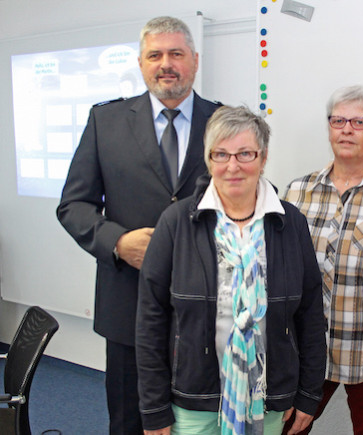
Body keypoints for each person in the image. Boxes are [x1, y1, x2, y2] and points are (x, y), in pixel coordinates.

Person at [56, 16, 222, 434]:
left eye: (176, 54)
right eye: (156, 55)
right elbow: (73, 204)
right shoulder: (105, 122)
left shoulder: (224, 123)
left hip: (206, 305)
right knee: (131, 420)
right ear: (141, 63)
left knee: (201, 422)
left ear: (195, 61)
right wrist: (116, 241)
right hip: (128, 303)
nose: (166, 64)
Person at [135, 105, 326, 435]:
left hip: (267, 399)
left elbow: (309, 315)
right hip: (194, 400)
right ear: (209, 160)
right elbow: (151, 319)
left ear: (263, 158)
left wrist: (309, 396)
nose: (232, 166)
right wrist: (154, 408)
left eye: (245, 154)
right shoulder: (177, 222)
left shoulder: (290, 223)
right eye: (220, 154)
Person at [283, 85, 363, 434]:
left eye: (358, 121)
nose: (346, 129)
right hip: (304, 355)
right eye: (338, 120)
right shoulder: (297, 192)